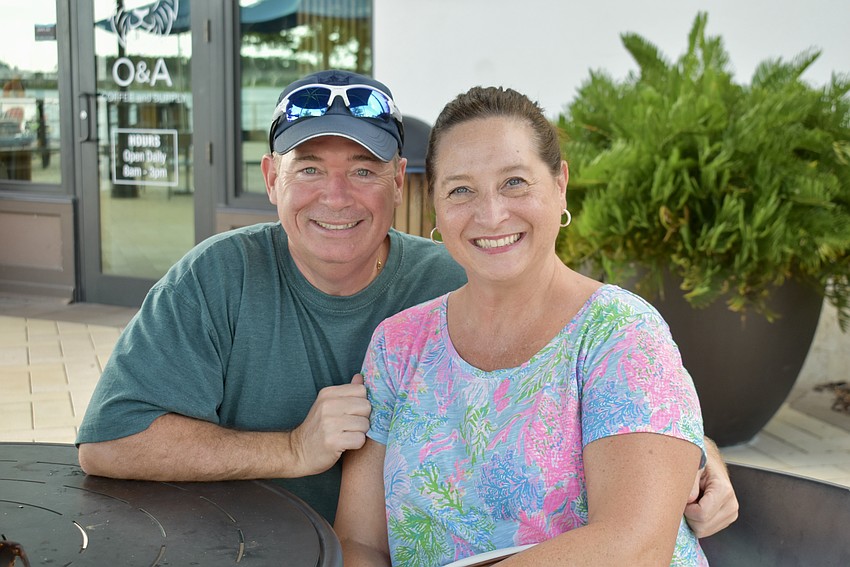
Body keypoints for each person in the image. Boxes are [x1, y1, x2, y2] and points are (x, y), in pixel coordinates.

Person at [76, 70, 737, 535]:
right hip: (242, 546)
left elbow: (606, 355)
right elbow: (108, 444)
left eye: (363, 170)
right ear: (271, 178)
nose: (336, 194)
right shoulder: (218, 278)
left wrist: (690, 446)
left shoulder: (464, 272)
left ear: (398, 184)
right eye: (309, 167)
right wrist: (290, 449)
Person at [335, 86, 718, 565]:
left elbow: (635, 545)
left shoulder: (621, 335)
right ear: (435, 205)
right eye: (461, 189)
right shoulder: (398, 346)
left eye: (514, 182)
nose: (491, 214)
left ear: (560, 185)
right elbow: (360, 542)